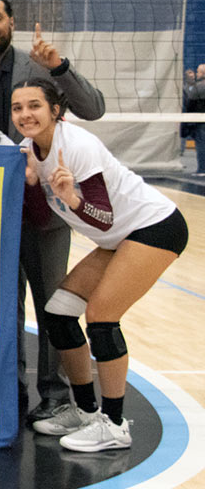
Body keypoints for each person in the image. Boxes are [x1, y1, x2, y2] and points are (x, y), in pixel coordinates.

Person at [0, 0, 106, 422]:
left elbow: (94, 108)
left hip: (44, 215)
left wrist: (59, 66)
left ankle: (55, 394)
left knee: (52, 305)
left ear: (11, 22)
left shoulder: (40, 69)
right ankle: (7, 391)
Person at [14, 79, 187, 452]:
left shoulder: (77, 145)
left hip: (153, 227)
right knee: (58, 314)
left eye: (34, 106)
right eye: (17, 108)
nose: (25, 114)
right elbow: (43, 219)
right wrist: (31, 182)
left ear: (55, 111)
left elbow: (103, 217)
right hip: (117, 238)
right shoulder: (27, 150)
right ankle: (86, 411)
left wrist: (73, 200)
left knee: (101, 317)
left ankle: (114, 425)